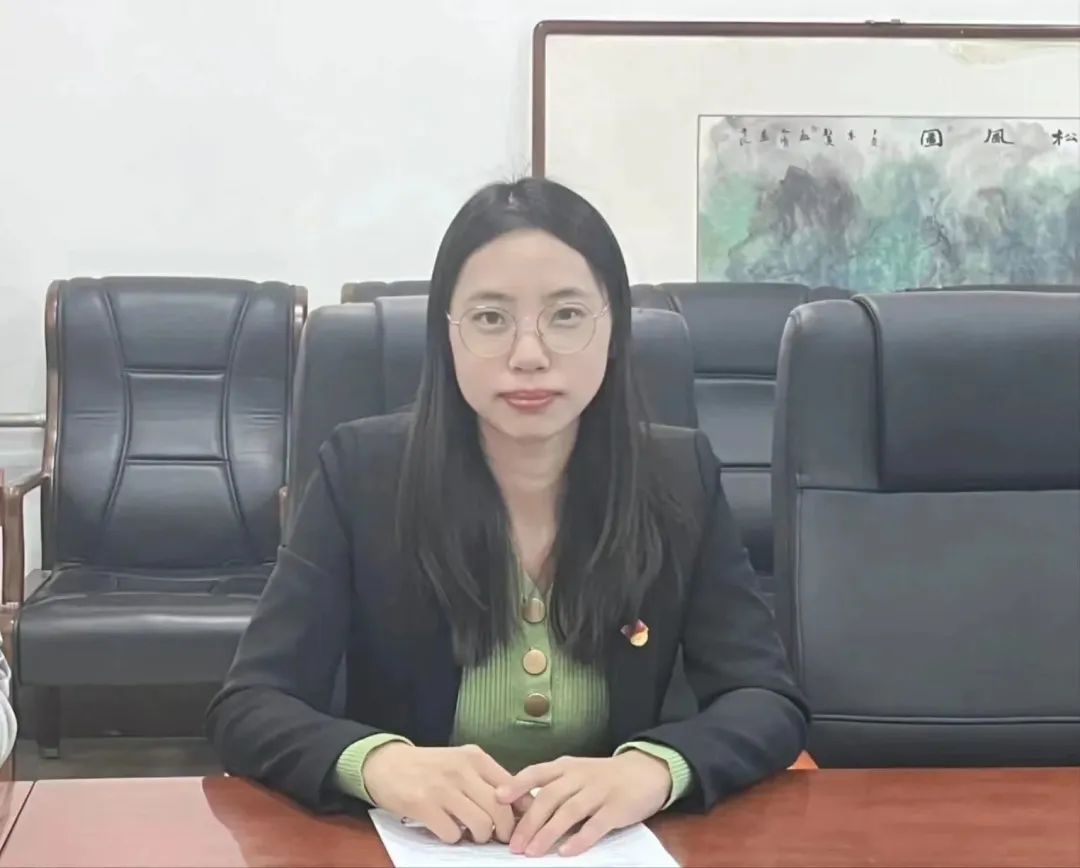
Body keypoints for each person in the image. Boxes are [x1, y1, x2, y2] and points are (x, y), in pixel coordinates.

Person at [207, 178, 808, 857]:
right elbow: (249, 705)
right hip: (414, 847)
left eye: (566, 315)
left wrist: (653, 770)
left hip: (603, 849)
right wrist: (379, 764)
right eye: (491, 319)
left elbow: (767, 701)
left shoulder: (676, 478)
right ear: (447, 335)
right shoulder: (363, 474)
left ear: (613, 329)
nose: (528, 354)